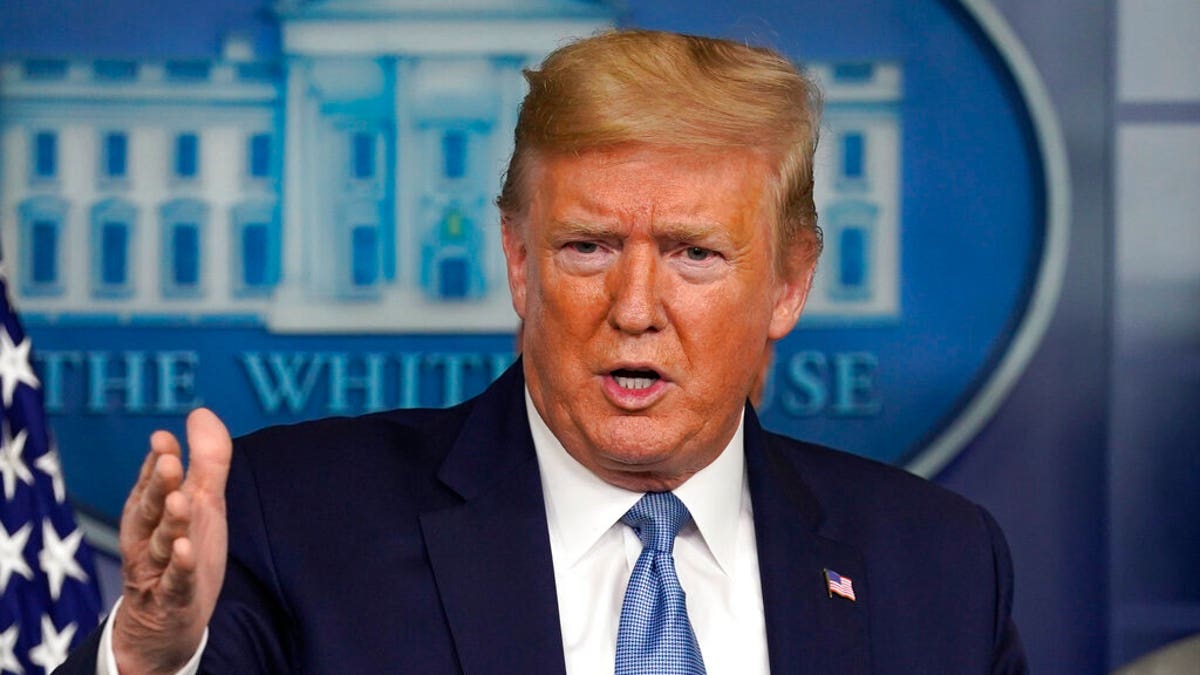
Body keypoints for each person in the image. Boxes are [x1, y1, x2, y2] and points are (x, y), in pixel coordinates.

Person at [58, 29, 1027, 674]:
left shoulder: (937, 566)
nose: (635, 307)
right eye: (588, 248)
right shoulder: (297, 522)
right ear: (520, 264)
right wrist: (148, 651)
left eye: (693, 253)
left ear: (788, 284)